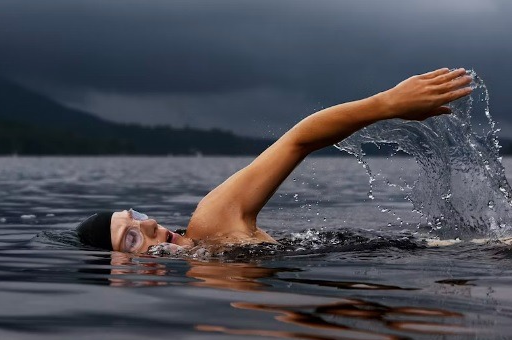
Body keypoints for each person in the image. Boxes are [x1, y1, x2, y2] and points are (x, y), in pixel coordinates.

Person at [76, 68, 473, 253]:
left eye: (136, 215)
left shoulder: (211, 224)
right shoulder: (208, 287)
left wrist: (387, 104)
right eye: (131, 237)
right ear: (120, 274)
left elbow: (298, 140)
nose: (148, 224)